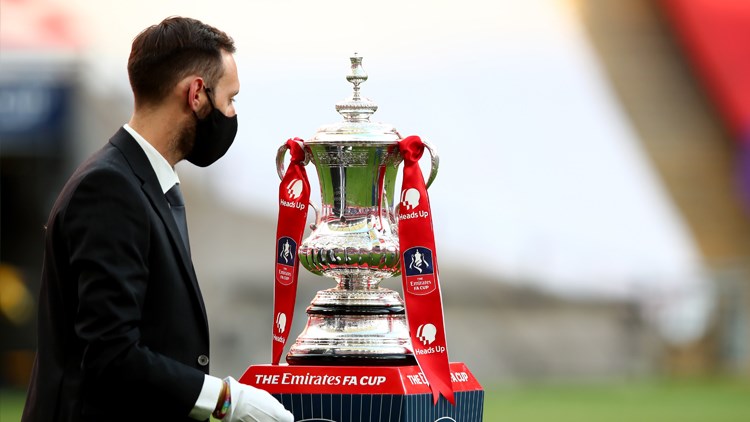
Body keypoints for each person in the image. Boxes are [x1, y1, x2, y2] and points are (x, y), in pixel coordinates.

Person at [21, 16, 294, 422]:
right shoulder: (109, 189)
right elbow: (111, 354)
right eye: (230, 98)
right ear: (197, 94)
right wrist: (226, 401)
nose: (232, 112)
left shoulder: (142, 182)